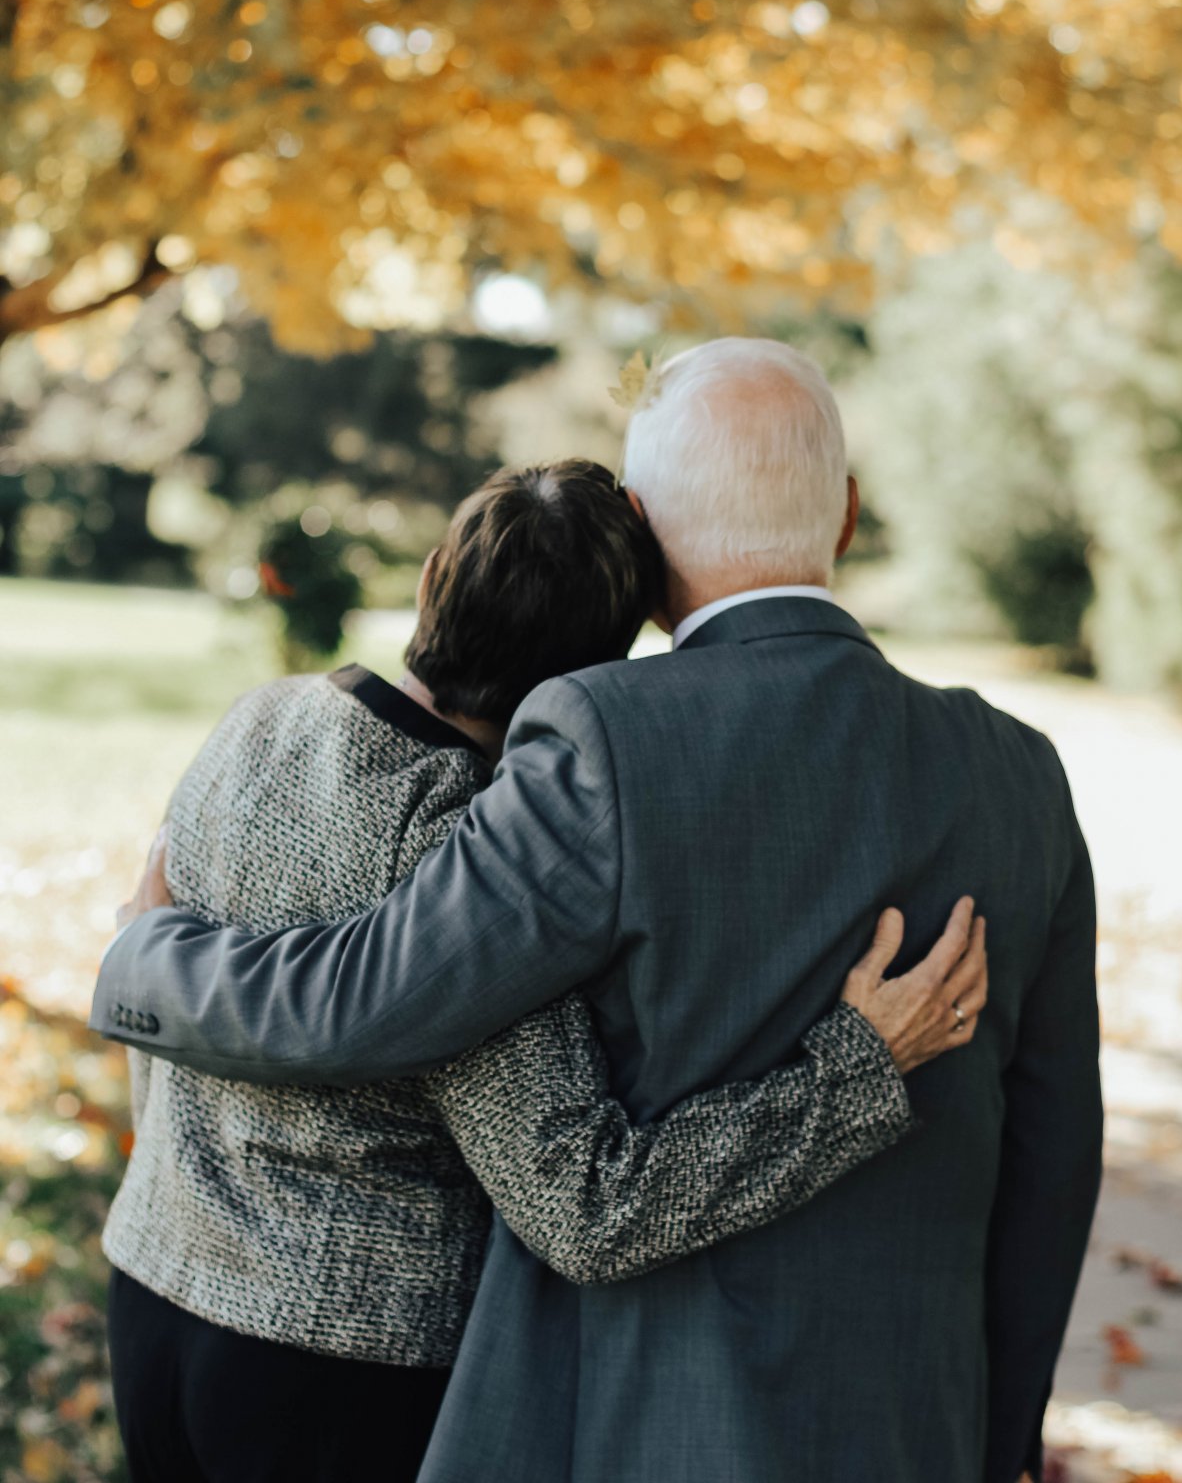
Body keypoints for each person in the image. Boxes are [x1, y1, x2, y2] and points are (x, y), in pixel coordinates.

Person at [94, 340, 1103, 1483]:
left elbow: (371, 1000)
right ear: (850, 513)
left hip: (632, 1420)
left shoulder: (588, 745)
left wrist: (145, 954)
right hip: (920, 1417)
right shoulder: (1025, 772)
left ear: (645, 519)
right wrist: (1005, 1423)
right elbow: (1054, 1147)